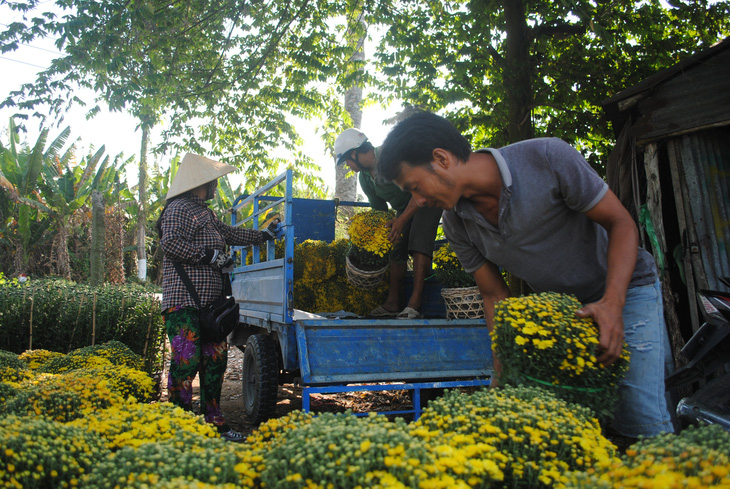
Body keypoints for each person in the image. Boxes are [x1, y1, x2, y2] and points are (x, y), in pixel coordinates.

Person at [376, 111, 675, 440]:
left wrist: (612, 303)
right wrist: (501, 371)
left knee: (640, 419)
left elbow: (621, 224)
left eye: (416, 187)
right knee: (577, 427)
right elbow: (494, 296)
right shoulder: (455, 223)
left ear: (441, 158)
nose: (418, 201)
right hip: (564, 311)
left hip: (627, 291)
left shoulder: (547, 157)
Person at [157, 152, 278, 442]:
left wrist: (263, 235)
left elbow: (230, 233)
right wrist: (208, 255)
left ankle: (214, 420)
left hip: (209, 305)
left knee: (215, 361)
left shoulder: (206, 214)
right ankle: (181, 424)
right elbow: (170, 243)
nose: (215, 186)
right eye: (212, 182)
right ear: (199, 183)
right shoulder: (178, 208)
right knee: (186, 362)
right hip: (183, 301)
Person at [334, 128, 443, 319]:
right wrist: (370, 233)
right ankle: (393, 303)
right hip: (404, 209)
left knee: (419, 242)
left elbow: (420, 186)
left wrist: (401, 220)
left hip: (428, 196)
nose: (348, 166)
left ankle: (414, 305)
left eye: (347, 162)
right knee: (395, 244)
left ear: (354, 153)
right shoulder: (365, 178)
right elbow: (380, 213)